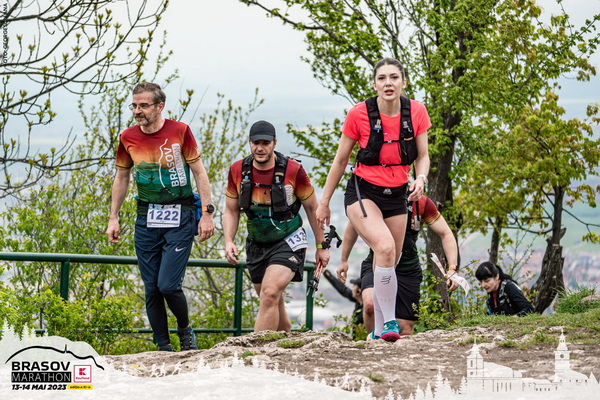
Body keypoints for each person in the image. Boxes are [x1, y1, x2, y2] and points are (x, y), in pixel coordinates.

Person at [316, 57, 431, 341]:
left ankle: (378, 331)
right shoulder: (359, 114)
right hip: (363, 192)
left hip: (398, 193)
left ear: (403, 82)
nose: (388, 83)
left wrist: (420, 178)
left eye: (394, 77)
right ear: (374, 84)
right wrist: (324, 201)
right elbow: (340, 160)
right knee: (385, 246)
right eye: (382, 78)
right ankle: (390, 323)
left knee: (389, 260)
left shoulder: (416, 112)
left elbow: (423, 155)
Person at [106, 82, 215, 352]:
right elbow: (122, 177)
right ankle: (163, 346)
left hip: (181, 214)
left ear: (159, 106)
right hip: (147, 216)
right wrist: (113, 217)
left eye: (143, 105)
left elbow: (199, 173)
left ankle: (185, 331)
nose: (137, 111)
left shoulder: (180, 131)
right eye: (134, 106)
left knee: (167, 285)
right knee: (152, 287)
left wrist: (207, 214)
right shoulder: (127, 137)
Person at [223, 120, 330, 332]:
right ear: (249, 142)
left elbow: (312, 208)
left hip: (288, 240)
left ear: (274, 143)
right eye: (256, 143)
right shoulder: (238, 170)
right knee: (271, 299)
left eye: (265, 143)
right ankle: (287, 339)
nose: (260, 148)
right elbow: (231, 210)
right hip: (257, 242)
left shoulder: (293, 170)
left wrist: (321, 246)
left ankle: (258, 348)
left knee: (270, 293)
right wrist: (228, 241)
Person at [338, 195, 460, 338]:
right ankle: (375, 341)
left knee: (405, 329)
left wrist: (452, 268)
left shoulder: (420, 202)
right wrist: (344, 260)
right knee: (370, 305)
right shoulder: (377, 196)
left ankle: (393, 348)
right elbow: (353, 224)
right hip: (378, 261)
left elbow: (446, 233)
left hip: (407, 266)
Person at [322, 269, 364, 335]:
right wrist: (327, 274)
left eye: (354, 286)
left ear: (359, 290)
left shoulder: (366, 307)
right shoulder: (358, 301)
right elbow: (343, 289)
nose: (352, 287)